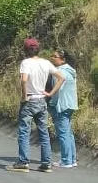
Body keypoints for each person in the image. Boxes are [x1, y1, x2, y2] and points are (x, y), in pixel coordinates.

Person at [6, 38, 65, 173]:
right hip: (42, 100)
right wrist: (50, 93)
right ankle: (46, 163)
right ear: (38, 49)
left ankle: (23, 162)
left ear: (26, 50)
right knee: (43, 132)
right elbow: (61, 77)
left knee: (24, 131)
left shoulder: (26, 63)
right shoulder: (46, 63)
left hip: (30, 99)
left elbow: (24, 80)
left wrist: (24, 96)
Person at [48, 49, 78, 168]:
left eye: (55, 56)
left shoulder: (60, 72)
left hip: (61, 105)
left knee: (63, 133)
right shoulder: (70, 71)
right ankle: (72, 158)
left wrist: (51, 103)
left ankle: (66, 160)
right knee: (68, 132)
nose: (52, 58)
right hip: (70, 104)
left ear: (62, 59)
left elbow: (57, 90)